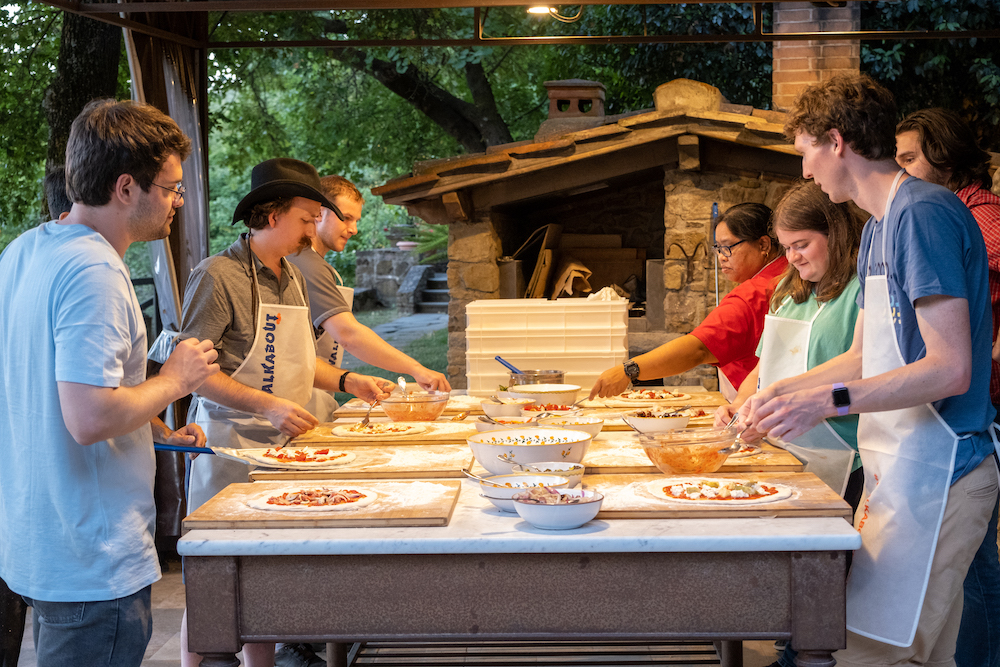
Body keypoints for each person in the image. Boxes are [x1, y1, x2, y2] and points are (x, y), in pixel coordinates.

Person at [744, 72, 998, 666]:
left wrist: (826, 402)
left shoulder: (924, 214)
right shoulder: (880, 227)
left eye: (805, 151)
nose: (804, 170)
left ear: (836, 141)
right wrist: (781, 390)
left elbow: (951, 368)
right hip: (902, 469)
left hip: (946, 470)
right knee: (915, 653)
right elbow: (865, 356)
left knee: (873, 655)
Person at [0, 99, 220, 667]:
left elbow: (54, 392)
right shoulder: (94, 270)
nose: (178, 200)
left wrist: (151, 427)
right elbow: (89, 417)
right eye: (171, 188)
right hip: (94, 558)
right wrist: (175, 381)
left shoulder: (23, 252)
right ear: (127, 188)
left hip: (40, 540)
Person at [177, 157, 393, 667]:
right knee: (212, 586)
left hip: (280, 450)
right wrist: (268, 405)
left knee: (261, 585)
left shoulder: (291, 277)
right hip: (227, 448)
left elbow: (299, 360)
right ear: (271, 215)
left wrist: (347, 379)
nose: (312, 228)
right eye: (304, 217)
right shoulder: (217, 275)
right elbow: (191, 371)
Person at [895, 107, 1000, 667]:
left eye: (910, 158)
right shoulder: (940, 210)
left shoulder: (967, 217)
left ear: (947, 156)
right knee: (972, 568)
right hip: (960, 413)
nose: (902, 171)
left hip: (972, 410)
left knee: (976, 571)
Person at [716, 181, 866, 501]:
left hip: (848, 457)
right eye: (786, 247)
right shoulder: (789, 291)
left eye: (801, 244)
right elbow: (765, 366)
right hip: (784, 450)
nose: (792, 257)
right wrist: (738, 407)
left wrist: (781, 397)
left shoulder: (861, 291)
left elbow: (863, 366)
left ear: (836, 234)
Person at [589, 202, 787, 401]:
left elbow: (698, 349)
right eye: (717, 248)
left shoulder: (752, 294)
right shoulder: (788, 276)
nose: (721, 257)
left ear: (763, 245)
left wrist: (629, 370)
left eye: (727, 247)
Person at [286, 175, 450, 399]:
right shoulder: (307, 264)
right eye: (345, 218)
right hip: (292, 401)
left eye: (356, 221)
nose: (353, 229)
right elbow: (348, 334)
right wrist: (416, 369)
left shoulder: (316, 263)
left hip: (314, 392)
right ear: (319, 214)